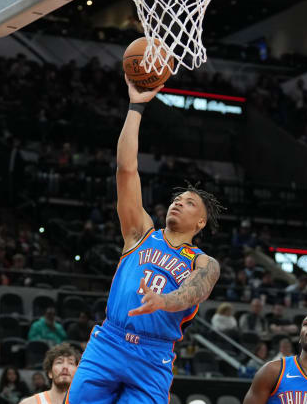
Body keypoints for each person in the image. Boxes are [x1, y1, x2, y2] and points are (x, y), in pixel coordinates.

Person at [67, 76, 224, 404]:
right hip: (109, 342)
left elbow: (198, 288)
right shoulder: (141, 233)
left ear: (200, 222)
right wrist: (136, 106)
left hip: (153, 356)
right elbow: (126, 170)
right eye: (177, 198)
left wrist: (164, 301)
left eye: (189, 202)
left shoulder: (203, 262)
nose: (179, 202)